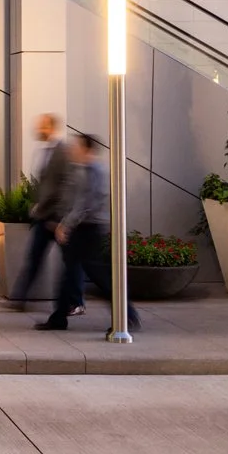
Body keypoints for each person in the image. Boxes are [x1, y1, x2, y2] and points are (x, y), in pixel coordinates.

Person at [37, 131, 141, 334]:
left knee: (100, 277)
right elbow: (71, 199)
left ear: (87, 149)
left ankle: (126, 316)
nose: (72, 150)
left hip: (90, 229)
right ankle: (59, 317)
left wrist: (64, 224)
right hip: (79, 229)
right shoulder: (80, 169)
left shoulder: (95, 171)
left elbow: (86, 205)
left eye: (76, 147)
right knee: (68, 275)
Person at [2, 114, 74, 311]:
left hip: (56, 219)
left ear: (51, 128)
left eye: (41, 126)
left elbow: (66, 186)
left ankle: (75, 302)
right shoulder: (45, 151)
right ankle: (19, 299)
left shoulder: (63, 152)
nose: (38, 130)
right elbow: (44, 185)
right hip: (44, 217)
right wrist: (37, 206)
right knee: (33, 258)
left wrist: (59, 217)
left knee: (70, 263)